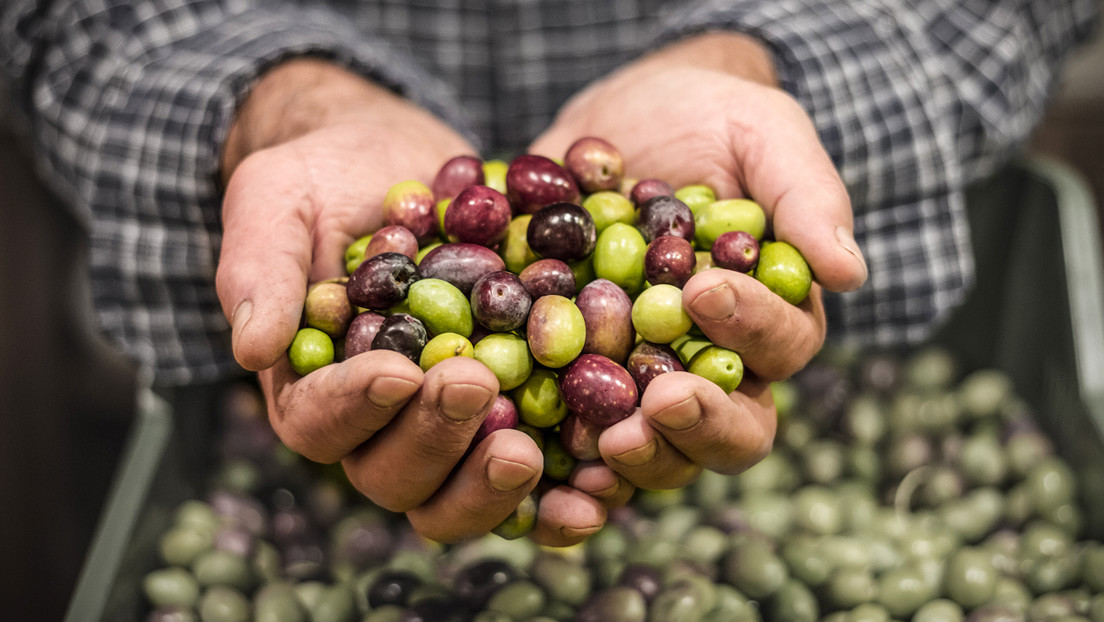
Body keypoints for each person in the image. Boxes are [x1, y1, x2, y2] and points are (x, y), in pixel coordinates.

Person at [1, 0, 1097, 546]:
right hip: (209, 297)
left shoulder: (627, 267)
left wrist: (759, 62)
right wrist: (274, 105)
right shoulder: (484, 273)